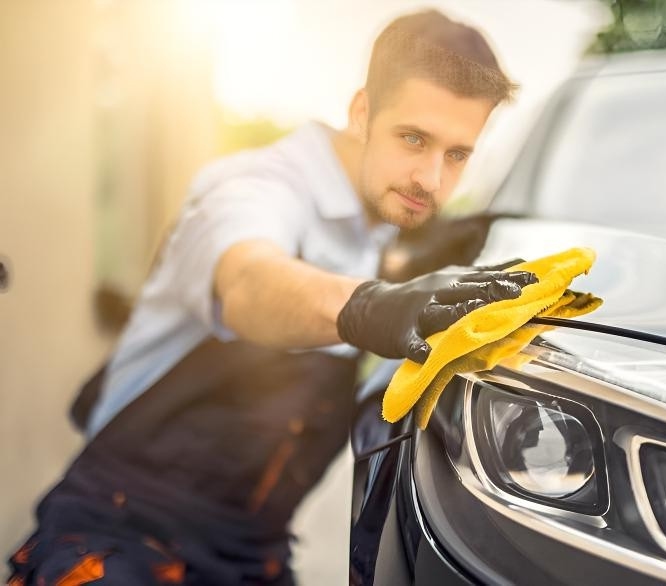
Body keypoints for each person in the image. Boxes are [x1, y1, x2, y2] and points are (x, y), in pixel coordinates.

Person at [8, 10, 535, 585]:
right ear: (362, 112)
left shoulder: (381, 229)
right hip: (119, 537)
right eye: (414, 138)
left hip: (252, 558)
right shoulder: (254, 188)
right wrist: (371, 307)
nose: (431, 180)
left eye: (457, 154)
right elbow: (250, 283)